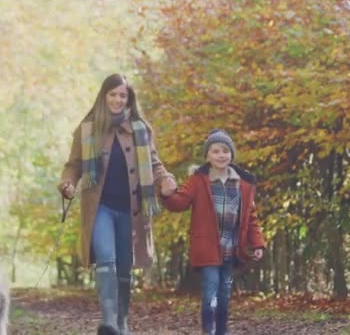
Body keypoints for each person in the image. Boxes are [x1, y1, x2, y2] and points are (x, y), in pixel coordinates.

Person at [58, 73, 176, 335]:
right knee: (106, 261)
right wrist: (67, 184)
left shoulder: (140, 130)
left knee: (124, 265)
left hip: (131, 210)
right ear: (104, 96)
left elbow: (154, 164)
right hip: (100, 208)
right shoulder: (87, 128)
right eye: (112, 94)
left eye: (122, 95)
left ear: (128, 99)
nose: (117, 99)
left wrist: (165, 180)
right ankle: (108, 320)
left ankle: (122, 320)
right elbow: (73, 166)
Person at [160, 129, 266, 335]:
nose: (221, 155)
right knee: (211, 293)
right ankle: (208, 331)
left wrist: (258, 243)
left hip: (231, 250)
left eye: (225, 151)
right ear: (208, 156)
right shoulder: (199, 180)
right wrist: (166, 194)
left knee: (224, 295)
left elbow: (250, 217)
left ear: (231, 154)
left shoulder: (242, 184)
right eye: (215, 151)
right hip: (207, 249)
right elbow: (179, 202)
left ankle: (221, 331)